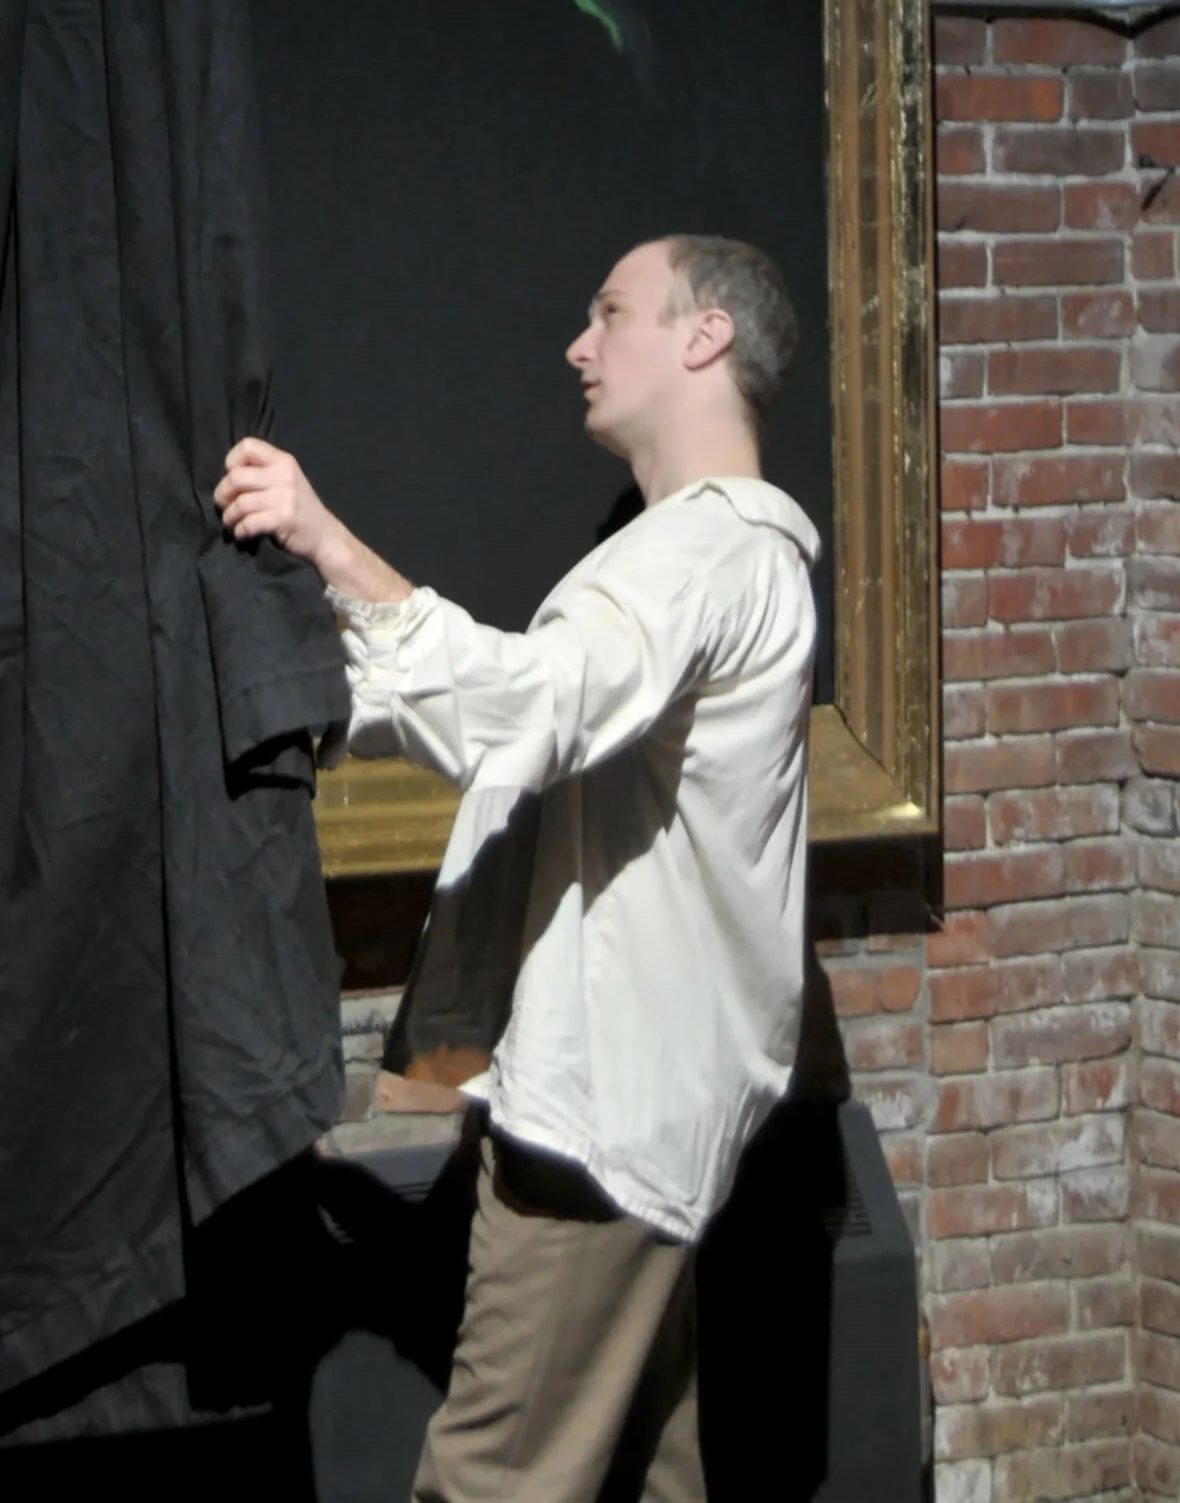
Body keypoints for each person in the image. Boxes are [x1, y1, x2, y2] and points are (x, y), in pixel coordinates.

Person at [215, 233, 817, 1503]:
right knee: (656, 1476)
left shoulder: (700, 554)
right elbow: (501, 713)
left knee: (488, 1485)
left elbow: (520, 708)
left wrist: (325, 540)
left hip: (604, 1121)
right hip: (639, 1111)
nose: (576, 343)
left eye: (610, 312)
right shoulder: (703, 555)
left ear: (704, 335)